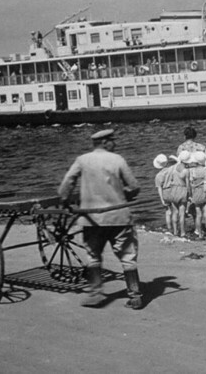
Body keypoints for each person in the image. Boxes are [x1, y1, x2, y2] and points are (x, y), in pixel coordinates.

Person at [58, 129, 143, 309]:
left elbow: (67, 183)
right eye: (112, 140)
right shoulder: (117, 160)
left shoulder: (82, 160)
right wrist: (123, 196)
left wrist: (65, 201)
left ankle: (95, 294)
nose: (115, 143)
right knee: (128, 256)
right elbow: (134, 186)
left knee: (93, 255)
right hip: (118, 216)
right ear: (104, 142)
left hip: (91, 218)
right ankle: (135, 296)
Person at [189, 151, 206, 239]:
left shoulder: (192, 170)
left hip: (196, 193)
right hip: (205, 192)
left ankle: (200, 234)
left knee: (198, 215)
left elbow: (190, 182)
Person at [153, 154, 173, 232]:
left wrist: (162, 199)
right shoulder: (172, 170)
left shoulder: (158, 176)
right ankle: (177, 228)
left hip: (165, 193)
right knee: (176, 211)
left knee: (168, 212)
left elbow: (159, 188)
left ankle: (169, 228)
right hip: (174, 191)